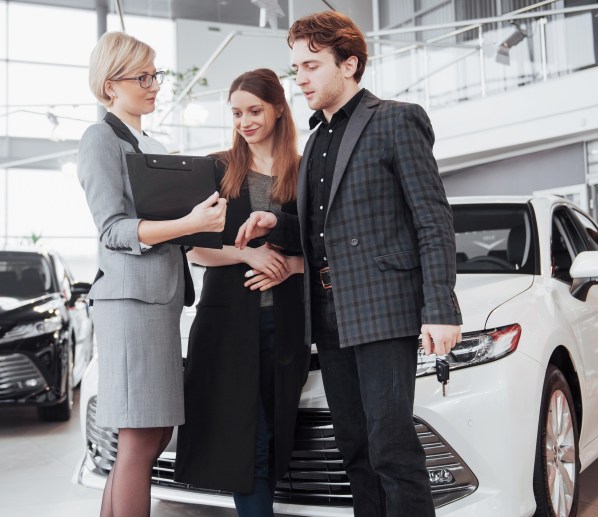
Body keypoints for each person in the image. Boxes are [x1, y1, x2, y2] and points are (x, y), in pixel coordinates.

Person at [235, 11, 463, 517]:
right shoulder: (314, 142)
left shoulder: (397, 120)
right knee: (355, 451)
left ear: (350, 63)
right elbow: (318, 233)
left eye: (312, 66)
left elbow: (432, 218)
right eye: (296, 68)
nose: (301, 79)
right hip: (329, 313)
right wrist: (274, 223)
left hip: (382, 308)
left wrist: (441, 307)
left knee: (392, 449)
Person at [77, 32, 227, 517]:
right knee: (140, 437)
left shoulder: (149, 143)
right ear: (109, 85)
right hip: (130, 304)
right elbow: (113, 231)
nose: (154, 85)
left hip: (159, 304)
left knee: (152, 434)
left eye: (154, 74)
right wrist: (189, 223)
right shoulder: (100, 139)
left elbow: (171, 230)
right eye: (142, 76)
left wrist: (213, 228)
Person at [174, 68, 309, 517]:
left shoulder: (306, 171)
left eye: (254, 111)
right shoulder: (217, 169)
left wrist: (289, 266)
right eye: (236, 113)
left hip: (285, 323)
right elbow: (194, 248)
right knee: (248, 437)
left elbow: (327, 247)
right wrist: (247, 256)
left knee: (274, 436)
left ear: (278, 108)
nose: (245, 121)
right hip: (227, 323)